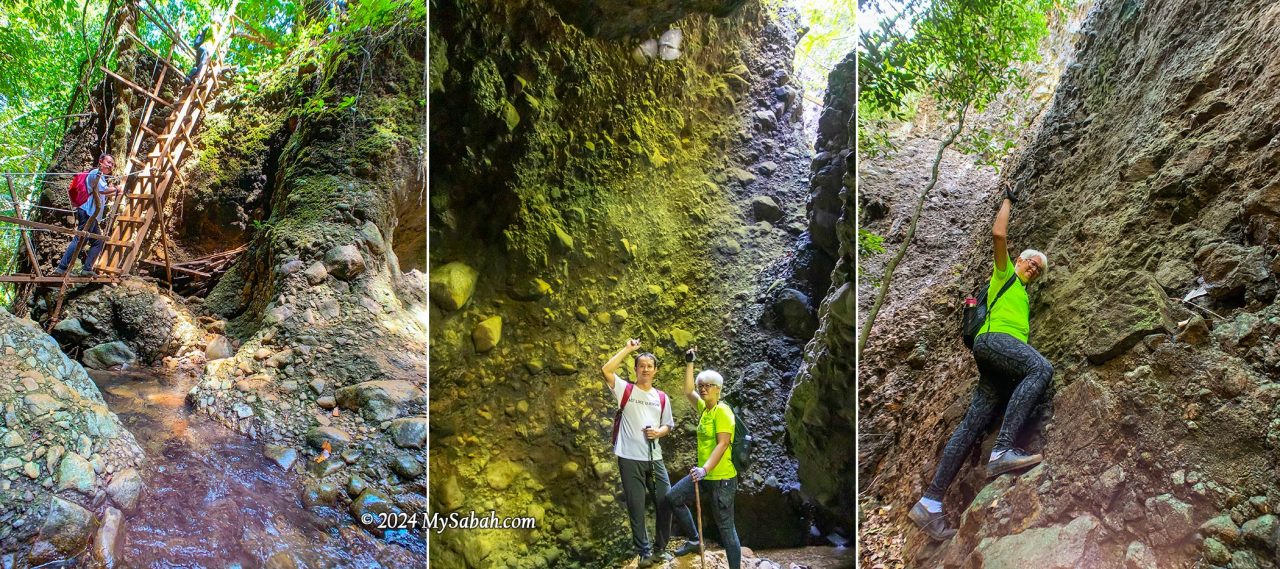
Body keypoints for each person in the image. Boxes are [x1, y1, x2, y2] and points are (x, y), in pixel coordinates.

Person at [909, 186, 1052, 540]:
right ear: (1018, 260)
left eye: (1039, 269)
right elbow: (998, 233)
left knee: (971, 426)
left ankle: (930, 502)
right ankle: (1003, 449)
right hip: (993, 342)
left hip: (997, 361)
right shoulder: (1005, 275)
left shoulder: (1022, 295)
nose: (1034, 268)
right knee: (1041, 369)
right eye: (1031, 261)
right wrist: (1009, 201)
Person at [601, 339, 693, 567]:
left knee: (666, 501)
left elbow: (668, 425)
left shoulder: (661, 397)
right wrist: (628, 349)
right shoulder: (626, 389)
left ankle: (660, 549)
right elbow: (606, 370)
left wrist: (658, 433)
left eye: (649, 366)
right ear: (635, 369)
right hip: (629, 457)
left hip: (654, 457)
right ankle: (644, 552)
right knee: (636, 506)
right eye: (641, 365)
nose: (645, 369)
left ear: (655, 370)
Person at [664, 347, 740, 568]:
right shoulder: (705, 409)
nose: (703, 389)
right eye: (702, 386)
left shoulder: (722, 411)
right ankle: (696, 540)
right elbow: (688, 391)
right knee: (674, 497)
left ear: (718, 389)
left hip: (722, 479)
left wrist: (705, 469)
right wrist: (689, 363)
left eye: (708, 386)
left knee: (726, 527)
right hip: (704, 475)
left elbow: (723, 443)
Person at [53, 153, 120, 277]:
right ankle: (62, 268)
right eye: (108, 162)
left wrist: (112, 190)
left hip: (91, 215)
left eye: (112, 164)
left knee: (97, 241)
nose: (110, 165)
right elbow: (102, 190)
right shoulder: (96, 173)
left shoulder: (101, 177)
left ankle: (86, 269)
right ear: (101, 161)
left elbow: (102, 192)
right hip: (87, 212)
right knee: (80, 239)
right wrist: (117, 188)